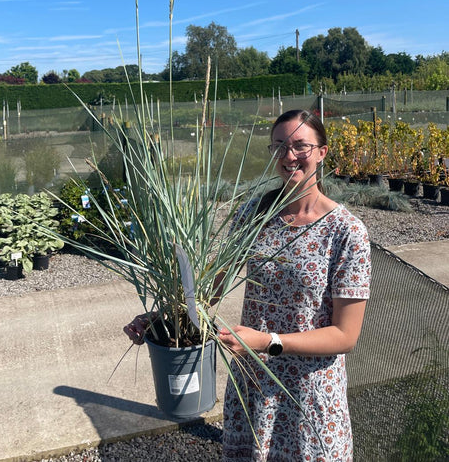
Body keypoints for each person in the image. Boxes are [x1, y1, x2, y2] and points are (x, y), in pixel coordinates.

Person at [124, 109, 371, 462]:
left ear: (322, 152)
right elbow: (210, 287)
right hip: (253, 384)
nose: (288, 156)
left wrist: (268, 343)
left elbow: (345, 335)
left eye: (300, 145)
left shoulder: (347, 232)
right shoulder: (255, 212)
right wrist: (163, 320)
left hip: (309, 393)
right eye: (279, 146)